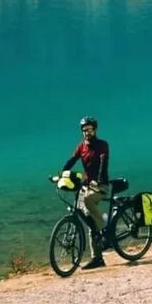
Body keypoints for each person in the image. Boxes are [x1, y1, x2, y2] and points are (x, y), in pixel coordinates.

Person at [61, 115, 110, 269]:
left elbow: (103, 162)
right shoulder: (81, 146)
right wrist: (62, 173)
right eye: (84, 130)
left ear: (95, 130)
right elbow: (72, 160)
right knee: (89, 220)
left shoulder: (102, 145)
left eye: (89, 129)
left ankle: (104, 231)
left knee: (88, 201)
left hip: (100, 186)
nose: (87, 132)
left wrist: (100, 179)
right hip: (88, 185)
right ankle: (97, 258)